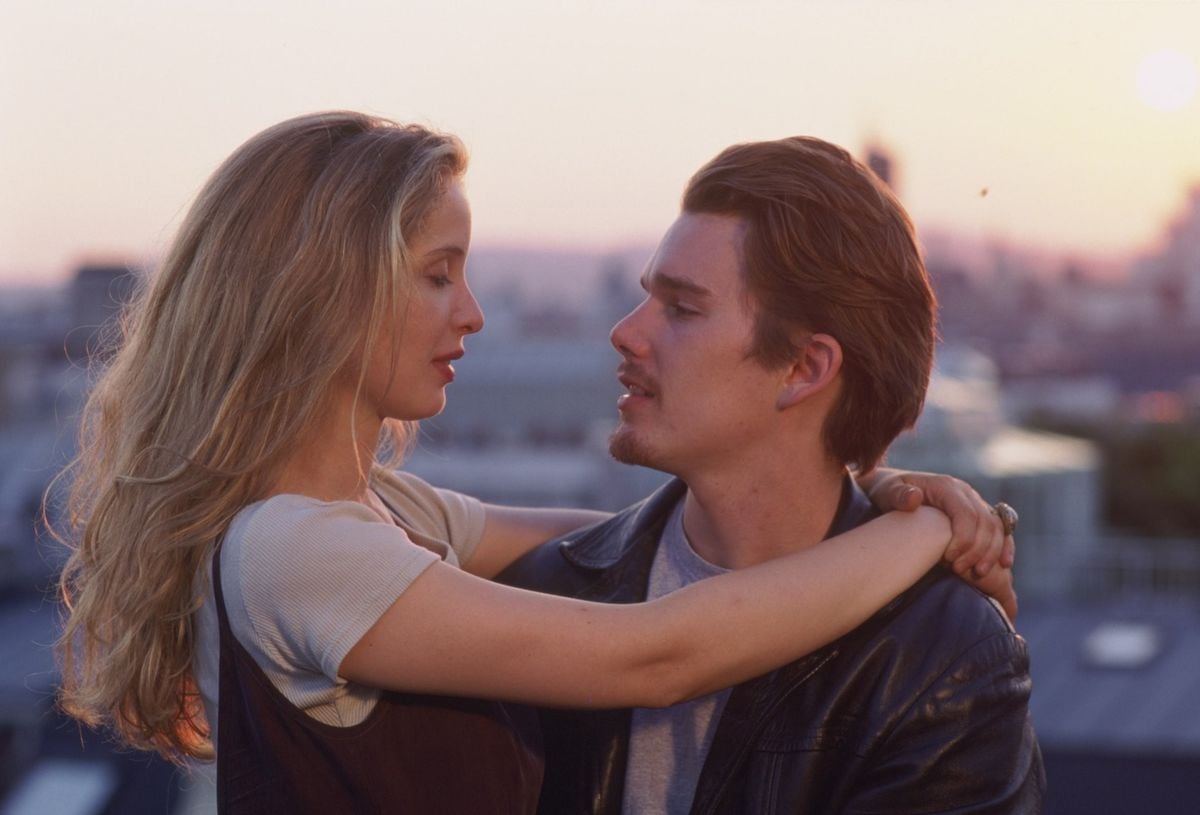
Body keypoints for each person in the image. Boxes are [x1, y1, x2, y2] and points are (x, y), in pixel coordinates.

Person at [54, 112, 1013, 813]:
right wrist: (924, 532)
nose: (471, 313)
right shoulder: (295, 550)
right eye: (438, 275)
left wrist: (883, 491)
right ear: (323, 293)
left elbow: (606, 545)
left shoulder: (382, 516)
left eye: (679, 308)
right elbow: (656, 651)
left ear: (808, 369)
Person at [498, 136, 1045, 813]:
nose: (625, 332)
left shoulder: (944, 662)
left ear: (804, 368)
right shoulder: (545, 597)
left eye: (681, 307)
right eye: (646, 298)